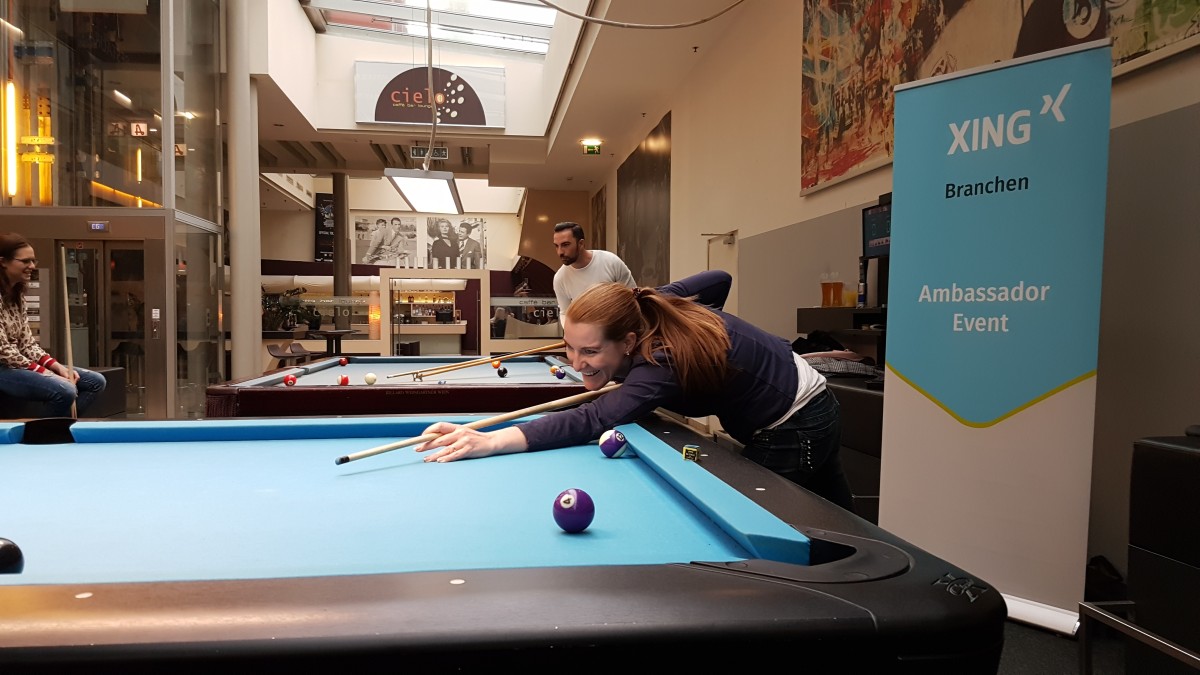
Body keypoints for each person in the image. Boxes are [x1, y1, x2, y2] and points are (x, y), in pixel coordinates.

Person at [414, 271, 852, 510]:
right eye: (569, 347)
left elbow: (595, 417)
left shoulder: (660, 362)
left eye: (590, 351)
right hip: (811, 395)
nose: (576, 364)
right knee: (843, 520)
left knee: (751, 516)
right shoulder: (647, 308)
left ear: (627, 342)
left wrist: (491, 440)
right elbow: (719, 278)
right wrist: (650, 298)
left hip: (793, 423)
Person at [0, 233, 106, 418]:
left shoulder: (17, 295)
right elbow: (3, 352)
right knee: (65, 390)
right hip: (3, 367)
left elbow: (27, 344)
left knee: (95, 381)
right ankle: (41, 432)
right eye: (25, 261)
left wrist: (56, 367)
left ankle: (61, 427)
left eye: (33, 260)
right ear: (3, 262)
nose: (32, 266)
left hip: (15, 365)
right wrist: (44, 373)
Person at [551, 222, 635, 320]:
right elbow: (565, 313)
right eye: (556, 246)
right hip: (585, 328)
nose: (560, 252)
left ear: (581, 244)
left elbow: (634, 297)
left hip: (620, 325)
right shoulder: (560, 278)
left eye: (565, 245)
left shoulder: (611, 262)